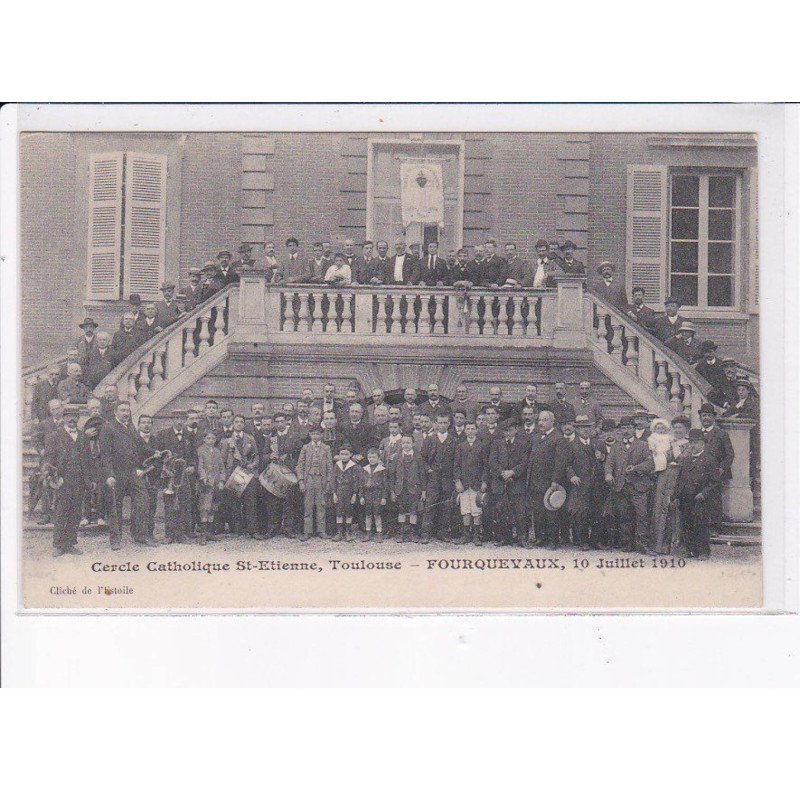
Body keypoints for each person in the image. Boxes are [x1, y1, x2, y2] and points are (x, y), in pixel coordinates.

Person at [99, 400, 152, 549]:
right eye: (122, 410)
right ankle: (115, 540)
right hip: (117, 473)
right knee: (116, 507)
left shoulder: (131, 426)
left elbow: (139, 446)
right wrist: (109, 475)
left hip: (132, 472)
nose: (126, 413)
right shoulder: (108, 428)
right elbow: (105, 454)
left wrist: (154, 452)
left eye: (127, 410)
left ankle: (140, 535)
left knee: (143, 501)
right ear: (115, 412)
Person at [603, 415, 654, 553]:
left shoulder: (643, 445)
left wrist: (636, 468)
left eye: (629, 428)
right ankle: (627, 544)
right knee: (624, 516)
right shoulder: (616, 446)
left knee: (641, 515)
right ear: (620, 430)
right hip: (621, 486)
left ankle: (642, 544)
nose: (626, 431)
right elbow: (609, 463)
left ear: (634, 429)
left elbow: (650, 464)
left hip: (638, 486)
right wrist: (608, 474)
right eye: (623, 428)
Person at [43, 410, 89, 556]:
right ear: (63, 418)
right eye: (68, 416)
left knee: (75, 512)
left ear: (78, 418)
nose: (71, 419)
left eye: (74, 416)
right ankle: (58, 545)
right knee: (61, 512)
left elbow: (88, 459)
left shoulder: (83, 436)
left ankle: (70, 543)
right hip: (63, 479)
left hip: (80, 479)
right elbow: (49, 458)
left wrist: (89, 479)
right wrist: (53, 477)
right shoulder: (54, 436)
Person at [675, 429, 722, 560]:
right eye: (691, 442)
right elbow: (680, 479)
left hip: (700, 498)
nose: (693, 445)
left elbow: (715, 482)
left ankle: (703, 551)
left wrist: (704, 493)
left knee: (701, 524)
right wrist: (676, 495)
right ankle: (689, 549)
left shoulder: (710, 460)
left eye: (696, 442)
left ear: (703, 444)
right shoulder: (686, 460)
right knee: (687, 523)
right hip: (686, 497)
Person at [527, 410, 569, 548]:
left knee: (551, 511)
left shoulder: (558, 438)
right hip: (535, 481)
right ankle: (541, 537)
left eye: (544, 420)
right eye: (539, 420)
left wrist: (555, 481)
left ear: (552, 422)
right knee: (538, 511)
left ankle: (552, 540)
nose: (541, 423)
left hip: (549, 482)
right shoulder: (535, 438)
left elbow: (560, 462)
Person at [154, 410, 198, 543]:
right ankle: (169, 534)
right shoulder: (162, 434)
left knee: (184, 503)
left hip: (185, 475)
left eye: (182, 418)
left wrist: (192, 466)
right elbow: (159, 455)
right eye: (176, 418)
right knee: (169, 504)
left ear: (185, 420)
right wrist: (165, 469)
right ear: (172, 419)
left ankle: (182, 534)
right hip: (170, 475)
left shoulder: (190, 435)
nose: (179, 421)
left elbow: (194, 454)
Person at [488, 418, 531, 546]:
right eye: (505, 430)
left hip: (517, 483)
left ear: (516, 430)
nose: (507, 433)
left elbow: (524, 462)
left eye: (510, 430)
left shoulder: (523, 444)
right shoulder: (497, 443)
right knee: (501, 510)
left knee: (520, 512)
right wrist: (503, 474)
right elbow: (493, 461)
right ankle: (504, 538)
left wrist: (512, 472)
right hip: (501, 483)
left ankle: (522, 538)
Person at [648, 417, 685, 555]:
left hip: (679, 477)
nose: (678, 430)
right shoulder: (665, 441)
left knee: (675, 507)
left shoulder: (686, 443)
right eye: (676, 427)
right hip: (664, 477)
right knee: (661, 507)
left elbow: (682, 459)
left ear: (686, 429)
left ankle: (676, 545)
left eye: (681, 427)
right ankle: (659, 545)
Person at [219, 414, 260, 538]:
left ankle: (253, 530)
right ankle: (237, 529)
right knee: (235, 502)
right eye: (236, 422)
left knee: (250, 502)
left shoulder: (250, 438)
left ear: (244, 424)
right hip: (233, 473)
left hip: (247, 473)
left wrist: (253, 465)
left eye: (241, 422)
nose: (239, 424)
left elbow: (256, 455)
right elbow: (222, 461)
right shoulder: (226, 441)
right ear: (233, 424)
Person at [420, 412, 457, 544]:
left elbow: (456, 460)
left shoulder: (453, 440)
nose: (442, 425)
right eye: (440, 423)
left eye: (445, 423)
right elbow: (422, 458)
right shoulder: (430, 439)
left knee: (445, 506)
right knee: (430, 505)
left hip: (447, 477)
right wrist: (428, 469)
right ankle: (425, 533)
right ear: (435, 424)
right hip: (433, 477)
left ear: (449, 424)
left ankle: (442, 532)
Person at [565, 415, 598, 550]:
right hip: (580, 484)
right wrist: (572, 476)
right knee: (580, 513)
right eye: (582, 427)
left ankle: (594, 541)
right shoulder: (572, 445)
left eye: (588, 427)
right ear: (577, 429)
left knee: (594, 511)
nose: (585, 430)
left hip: (595, 483)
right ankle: (581, 540)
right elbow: (567, 464)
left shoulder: (596, 443)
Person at [453, 420, 489, 545]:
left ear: (476, 430)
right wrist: (457, 481)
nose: (470, 431)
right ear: (465, 431)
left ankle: (476, 535)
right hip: (464, 484)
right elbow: (456, 465)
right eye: (468, 429)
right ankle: (466, 535)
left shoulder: (482, 446)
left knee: (476, 509)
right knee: (465, 509)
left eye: (472, 429)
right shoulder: (460, 446)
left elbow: (486, 466)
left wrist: (484, 481)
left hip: (476, 483)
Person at [296, 426, 334, 541]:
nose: (315, 436)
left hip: (321, 479)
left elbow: (330, 466)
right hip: (309, 479)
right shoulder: (305, 448)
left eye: (318, 434)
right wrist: (301, 481)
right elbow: (300, 465)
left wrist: (328, 481)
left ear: (322, 435)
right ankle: (307, 531)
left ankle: (321, 530)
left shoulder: (326, 448)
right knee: (308, 505)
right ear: (310, 435)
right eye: (313, 434)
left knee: (321, 504)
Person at [389, 434, 425, 543]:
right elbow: (392, 475)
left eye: (408, 442)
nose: (406, 445)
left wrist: (423, 490)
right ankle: (401, 533)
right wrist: (392, 491)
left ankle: (412, 533)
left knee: (413, 511)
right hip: (401, 488)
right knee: (401, 510)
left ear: (413, 444)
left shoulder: (418, 457)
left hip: (414, 489)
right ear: (401, 444)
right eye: (403, 442)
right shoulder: (397, 457)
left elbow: (422, 474)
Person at [332, 443, 360, 541]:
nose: (344, 456)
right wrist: (334, 493)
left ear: (351, 455)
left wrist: (354, 494)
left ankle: (348, 532)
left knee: (349, 511)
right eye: (342, 454)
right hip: (339, 491)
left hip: (349, 491)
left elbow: (356, 481)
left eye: (346, 454)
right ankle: (339, 532)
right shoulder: (337, 465)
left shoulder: (354, 466)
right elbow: (334, 479)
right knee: (339, 511)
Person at [360, 448, 388, 542]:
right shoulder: (365, 469)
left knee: (377, 514)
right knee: (368, 514)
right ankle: (368, 533)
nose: (371, 459)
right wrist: (361, 496)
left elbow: (385, 485)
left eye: (374, 457)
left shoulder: (382, 469)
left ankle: (379, 533)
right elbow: (361, 484)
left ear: (378, 458)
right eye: (370, 457)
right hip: (367, 494)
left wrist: (384, 497)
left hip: (377, 494)